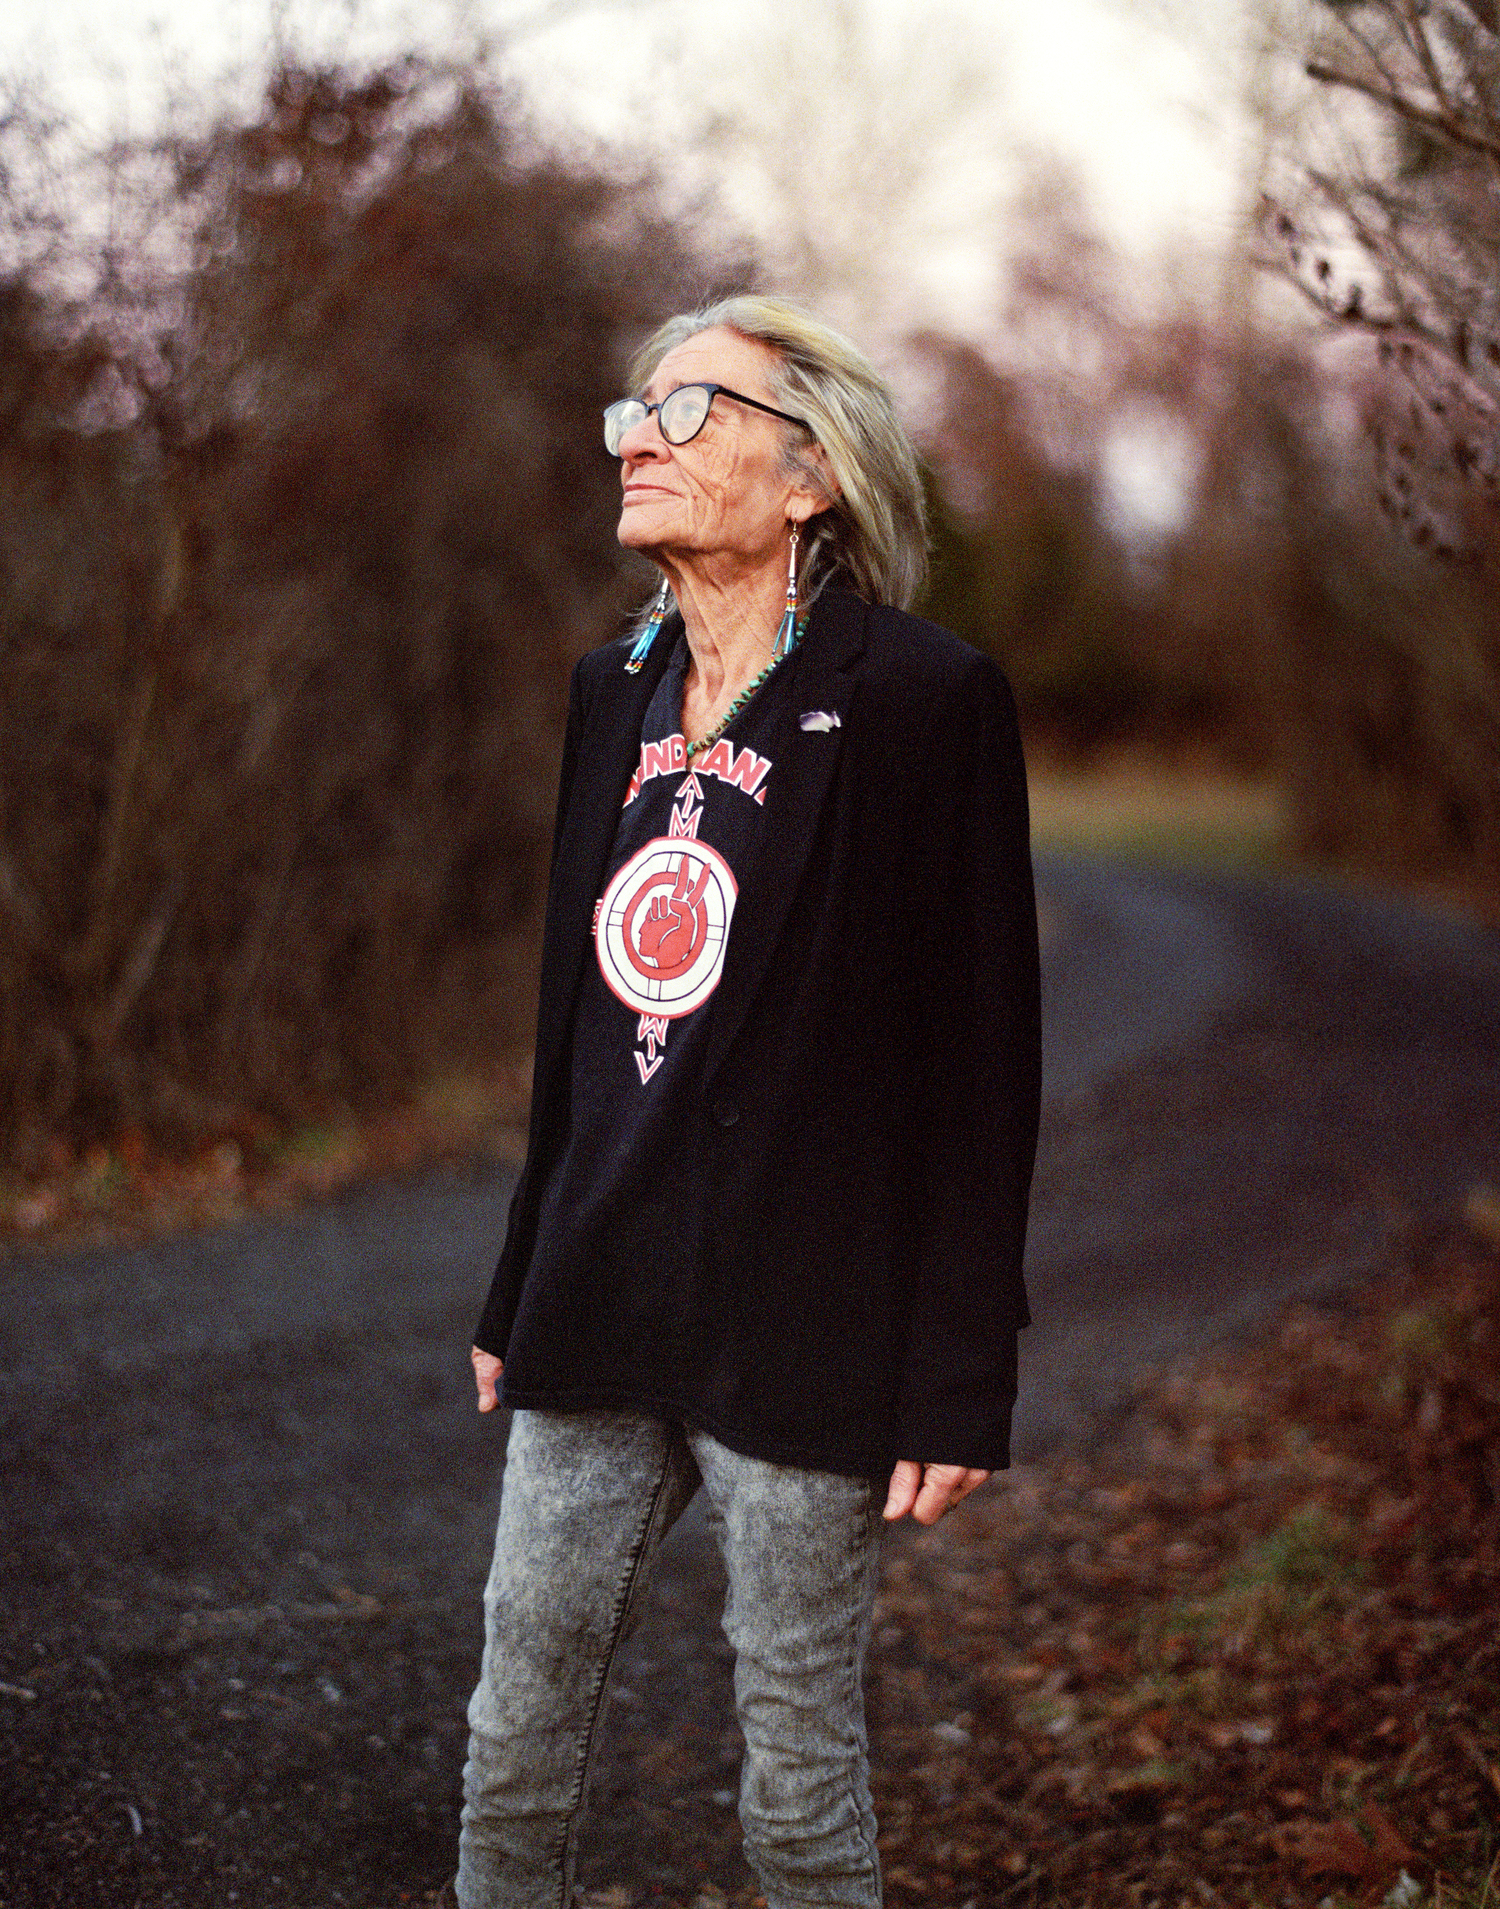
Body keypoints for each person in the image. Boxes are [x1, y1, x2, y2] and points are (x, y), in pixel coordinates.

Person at [455, 295, 1042, 1909]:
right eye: (631, 411)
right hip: (599, 1289)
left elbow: (985, 1057)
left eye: (691, 408)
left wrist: (957, 1369)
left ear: (809, 476)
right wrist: (520, 1281)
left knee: (797, 1784)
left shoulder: (925, 698)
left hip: (807, 1315)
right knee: (514, 1744)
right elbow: (569, 1029)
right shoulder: (610, 689)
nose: (639, 436)